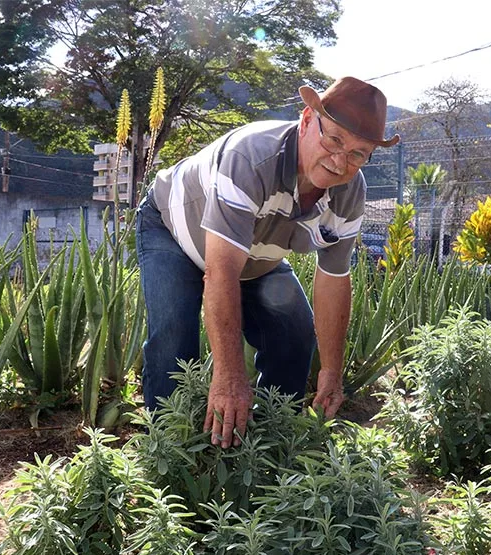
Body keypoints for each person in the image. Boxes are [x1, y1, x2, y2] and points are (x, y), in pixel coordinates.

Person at [135, 76, 399, 449]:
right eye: (334, 139)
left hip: (251, 254)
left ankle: (272, 445)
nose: (340, 161)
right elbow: (221, 270)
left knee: (293, 332)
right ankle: (168, 449)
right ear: (307, 120)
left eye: (358, 154)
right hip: (174, 230)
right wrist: (229, 379)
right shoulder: (252, 157)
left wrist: (331, 371)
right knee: (175, 337)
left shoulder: (350, 192)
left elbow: (334, 278)